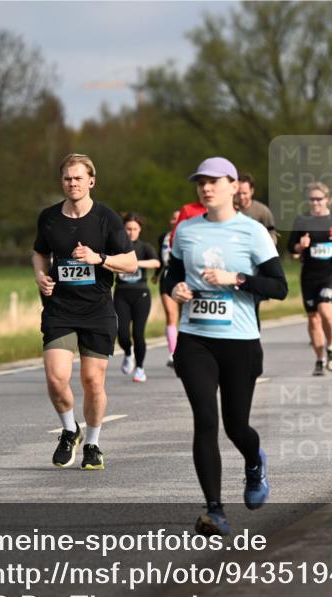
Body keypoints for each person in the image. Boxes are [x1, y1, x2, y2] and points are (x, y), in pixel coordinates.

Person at [167, 157, 288, 536]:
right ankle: (214, 510)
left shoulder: (253, 232)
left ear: (234, 187)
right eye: (200, 182)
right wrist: (176, 289)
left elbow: (279, 287)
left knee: (237, 426)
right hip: (195, 340)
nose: (206, 188)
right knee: (205, 419)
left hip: (239, 342)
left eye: (214, 182)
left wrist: (235, 278)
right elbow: (170, 276)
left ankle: (254, 460)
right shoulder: (185, 231)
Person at [33, 153, 138, 471]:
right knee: (56, 378)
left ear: (91, 181)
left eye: (78, 178)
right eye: (67, 178)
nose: (73, 183)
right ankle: (69, 430)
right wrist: (40, 277)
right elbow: (40, 253)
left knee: (93, 381)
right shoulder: (49, 218)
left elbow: (130, 263)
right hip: (60, 308)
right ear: (61, 182)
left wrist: (99, 258)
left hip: (97, 309)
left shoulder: (106, 219)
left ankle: (92, 442)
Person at [286, 182, 332, 376]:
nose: (315, 203)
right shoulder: (302, 220)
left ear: (327, 200)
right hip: (309, 275)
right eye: (312, 199)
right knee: (313, 319)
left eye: (319, 199)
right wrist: (300, 246)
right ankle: (319, 358)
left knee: (325, 309)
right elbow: (290, 247)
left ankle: (331, 347)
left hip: (330, 274)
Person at [157, 202, 206, 368]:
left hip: (189, 275)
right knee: (171, 315)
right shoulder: (164, 237)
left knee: (188, 314)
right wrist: (157, 275)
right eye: (175, 219)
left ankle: (192, 350)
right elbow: (161, 259)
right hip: (170, 276)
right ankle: (173, 353)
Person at [114, 212, 161, 382]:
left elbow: (156, 263)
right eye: (128, 229)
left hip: (141, 293)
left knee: (138, 333)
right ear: (123, 229)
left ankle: (140, 368)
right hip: (121, 293)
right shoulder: (116, 246)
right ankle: (128, 352)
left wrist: (135, 264)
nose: (131, 232)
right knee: (122, 333)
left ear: (139, 230)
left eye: (134, 229)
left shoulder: (144, 247)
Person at [236, 173, 277, 245]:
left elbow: (272, 234)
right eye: (239, 193)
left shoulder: (263, 211)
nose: (241, 197)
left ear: (252, 191)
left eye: (245, 193)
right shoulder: (229, 209)